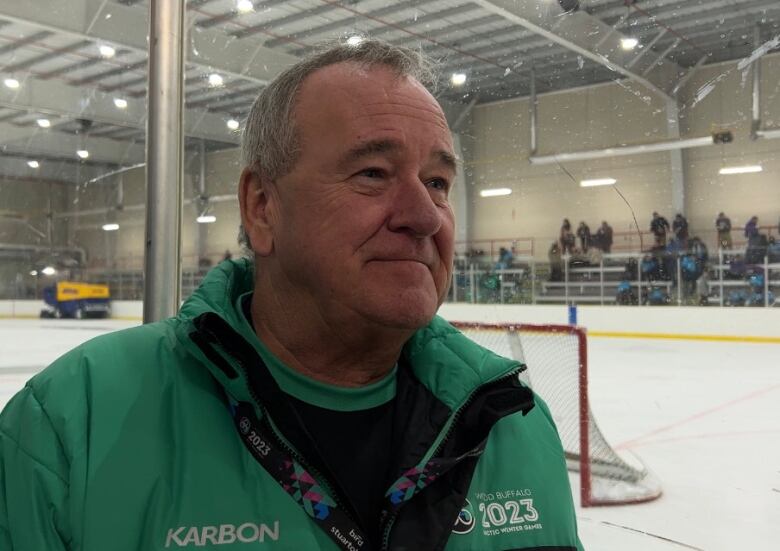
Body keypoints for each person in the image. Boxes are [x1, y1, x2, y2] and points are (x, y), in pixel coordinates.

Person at [0, 41, 582, 551]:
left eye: (437, 183)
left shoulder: (515, 427)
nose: (425, 216)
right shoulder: (72, 424)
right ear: (262, 207)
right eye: (374, 173)